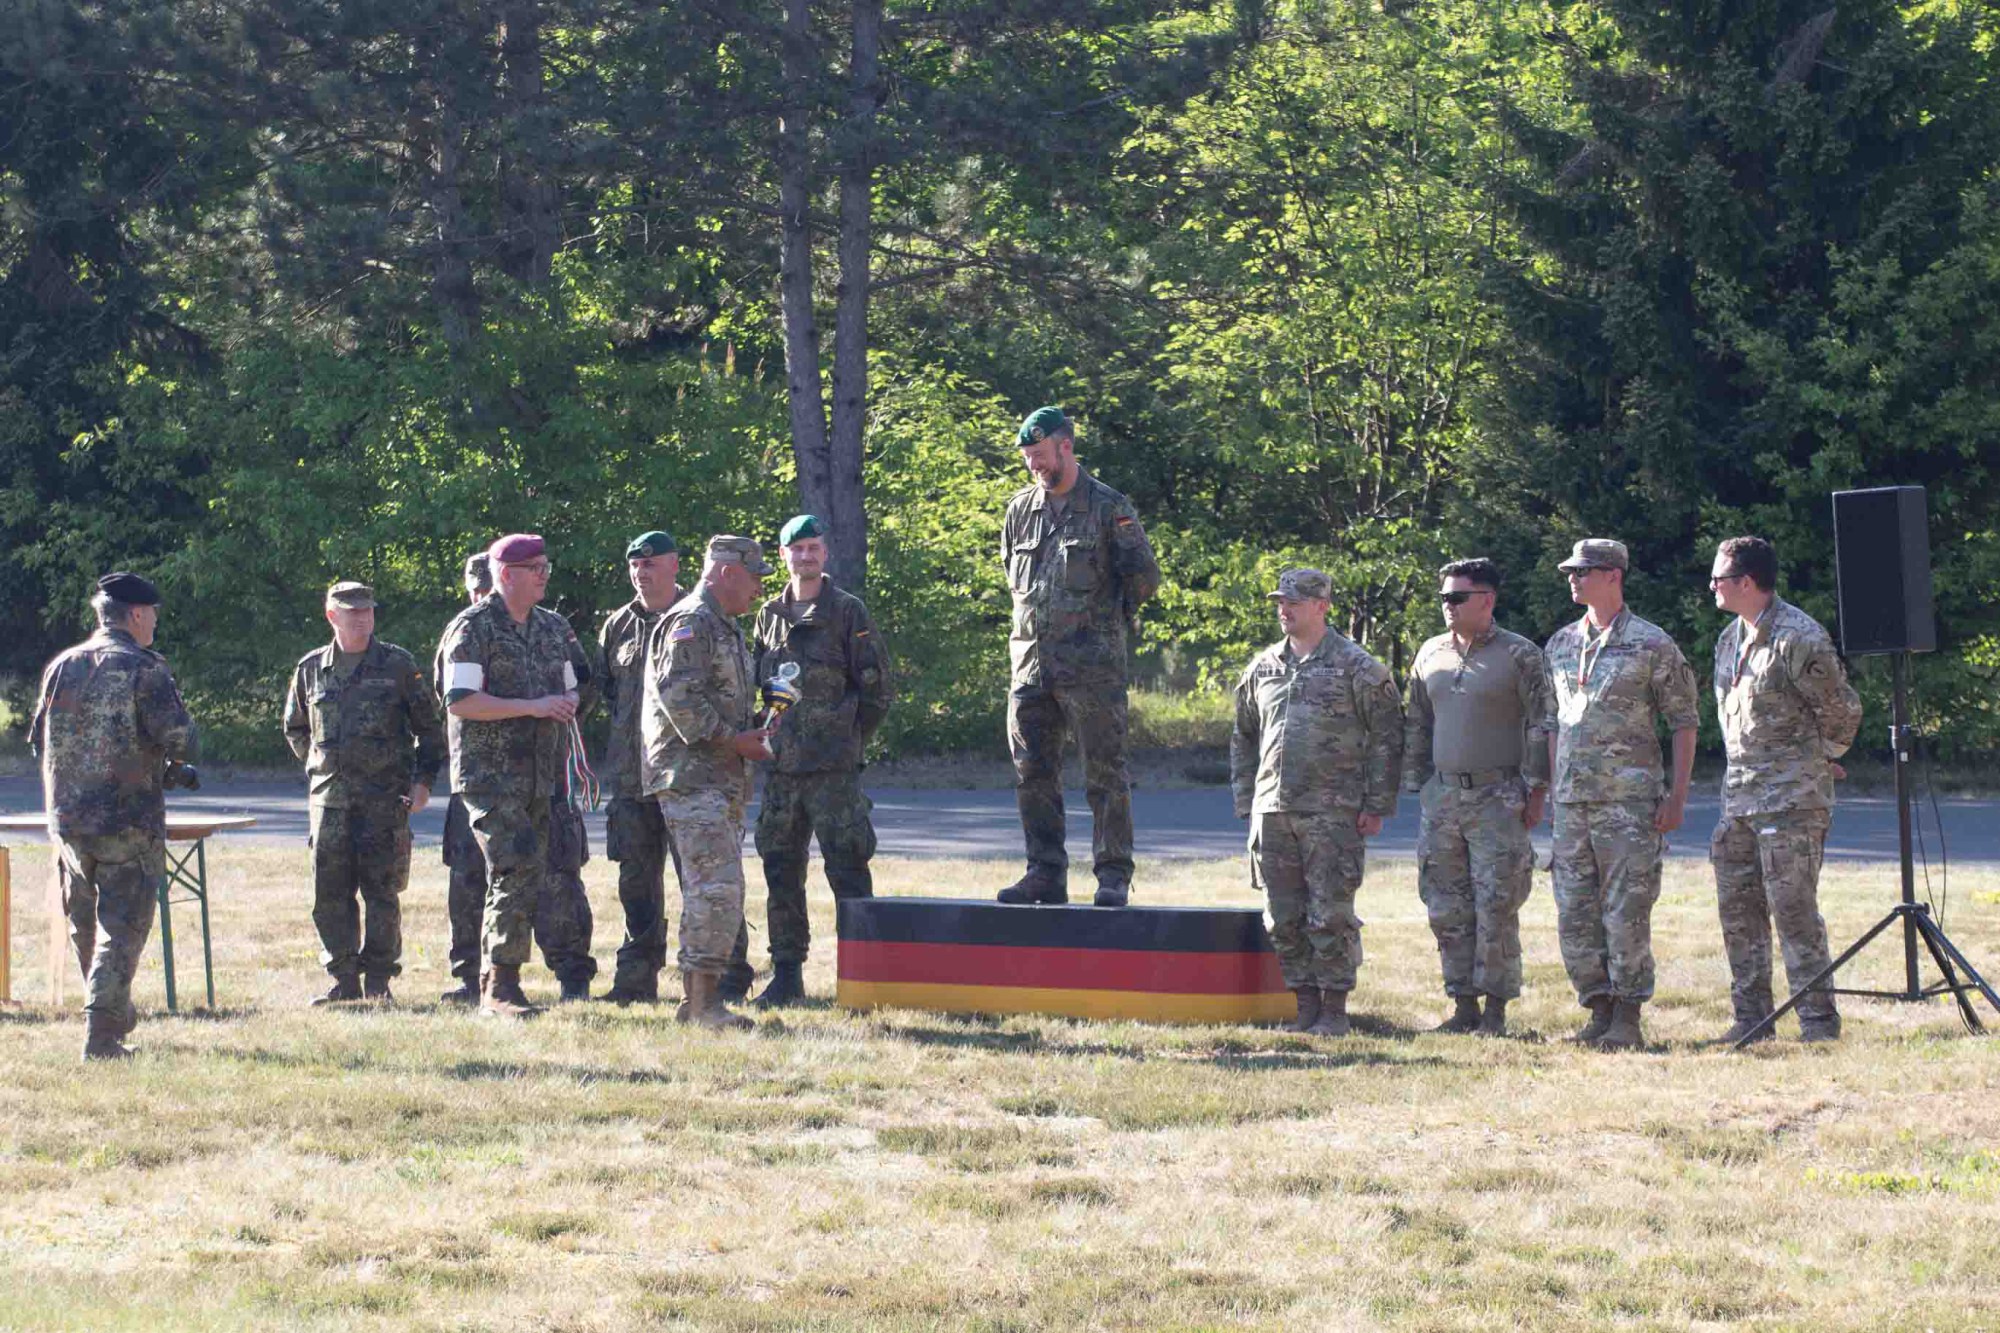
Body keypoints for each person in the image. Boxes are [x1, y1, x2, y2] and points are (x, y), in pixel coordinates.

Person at [723, 514, 893, 1007]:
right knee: (781, 871)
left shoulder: (847, 611)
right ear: (784, 557)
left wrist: (846, 737)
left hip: (833, 771)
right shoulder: (769, 615)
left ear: (825, 553)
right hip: (781, 769)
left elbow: (877, 689)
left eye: (813, 547)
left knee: (848, 870)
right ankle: (787, 975)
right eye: (797, 549)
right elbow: (760, 685)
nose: (806, 556)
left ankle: (862, 977)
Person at [997, 406, 1161, 907]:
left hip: (1092, 671)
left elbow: (1143, 579)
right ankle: (1044, 872)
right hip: (1031, 669)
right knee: (1032, 775)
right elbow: (1014, 580)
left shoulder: (1109, 507)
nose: (1034, 465)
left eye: (1041, 455)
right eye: (1028, 458)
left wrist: (1101, 624)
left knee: (1105, 774)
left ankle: (1112, 874)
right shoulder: (1019, 511)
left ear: (1066, 446)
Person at [30, 572, 198, 1060]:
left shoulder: (62, 666)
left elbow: (40, 740)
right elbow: (180, 739)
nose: (155, 624)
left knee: (86, 925)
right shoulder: (145, 668)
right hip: (127, 822)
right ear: (137, 615)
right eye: (154, 616)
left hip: (68, 822)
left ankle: (111, 1013)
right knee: (121, 928)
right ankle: (102, 1035)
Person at [1229, 569, 1402, 1036]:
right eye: (1280, 601)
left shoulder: (1357, 666)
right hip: (1272, 811)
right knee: (1282, 916)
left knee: (1331, 914)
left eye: (1295, 602)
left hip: (1333, 812)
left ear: (1322, 606)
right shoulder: (1263, 667)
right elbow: (1243, 737)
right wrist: (1247, 800)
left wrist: (1377, 803)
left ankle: (1335, 1009)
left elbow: (1388, 736)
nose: (1284, 609)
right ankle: (1304, 1006)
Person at [1544, 538, 1700, 1049]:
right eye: (1571, 571)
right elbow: (1552, 724)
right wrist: (1555, 793)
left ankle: (1628, 1016)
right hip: (1573, 804)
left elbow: (1684, 722)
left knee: (1626, 911)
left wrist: (1676, 798)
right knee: (1574, 913)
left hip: (1628, 805)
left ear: (1613, 575)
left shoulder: (1651, 644)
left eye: (1583, 571)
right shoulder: (1561, 643)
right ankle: (1598, 1009)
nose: (1573, 578)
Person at [1708, 536, 1863, 1044]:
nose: (1711, 586)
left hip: (1791, 802)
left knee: (1793, 912)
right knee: (1739, 913)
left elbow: (1841, 710)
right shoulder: (1729, 639)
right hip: (1740, 798)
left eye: (1719, 578)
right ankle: (1752, 1020)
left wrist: (1822, 758)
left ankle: (1817, 1024)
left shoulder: (1799, 637)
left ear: (1746, 582)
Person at [438, 533, 589, 1018]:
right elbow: (461, 701)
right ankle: (499, 987)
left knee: (530, 872)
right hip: (490, 776)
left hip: (542, 775)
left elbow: (575, 685)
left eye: (546, 567)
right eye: (534, 568)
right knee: (515, 865)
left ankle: (502, 982)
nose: (544, 575)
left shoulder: (552, 627)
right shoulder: (472, 627)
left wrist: (566, 703)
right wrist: (534, 707)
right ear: (506, 574)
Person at [1402, 558, 1554, 1037]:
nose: (1447, 605)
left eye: (1457, 597)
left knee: (1497, 905)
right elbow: (1417, 721)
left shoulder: (1520, 654)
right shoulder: (1430, 652)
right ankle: (1463, 1005)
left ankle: (1495, 1012)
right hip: (1444, 798)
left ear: (1486, 600)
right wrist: (1419, 783)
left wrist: (1537, 790)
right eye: (1443, 598)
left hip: (1498, 797)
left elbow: (1543, 722)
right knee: (1446, 905)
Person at [282, 581, 445, 1005]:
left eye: (368, 610)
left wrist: (422, 782)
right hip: (330, 803)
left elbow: (430, 729)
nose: (362, 618)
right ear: (332, 616)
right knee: (329, 894)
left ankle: (378, 981)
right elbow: (296, 728)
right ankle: (343, 979)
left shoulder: (397, 665)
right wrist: (321, 768)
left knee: (382, 893)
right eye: (352, 612)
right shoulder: (311, 669)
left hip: (384, 801)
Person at [641, 535, 774, 1029]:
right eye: (754, 578)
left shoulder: (724, 626)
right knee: (716, 889)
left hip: (719, 777)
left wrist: (757, 725)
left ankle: (699, 1001)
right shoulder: (692, 622)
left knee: (717, 888)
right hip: (691, 776)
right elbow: (679, 700)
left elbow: (718, 702)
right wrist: (734, 740)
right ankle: (702, 1006)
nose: (758, 589)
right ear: (726, 573)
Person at [598, 531, 682, 1004]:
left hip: (686, 779)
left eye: (650, 563)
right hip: (631, 780)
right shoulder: (618, 625)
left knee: (702, 881)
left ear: (674, 565)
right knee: (635, 881)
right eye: (634, 564)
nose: (641, 572)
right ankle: (636, 980)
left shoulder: (697, 618)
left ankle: (722, 977)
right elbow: (609, 692)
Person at [436, 553, 494, 1005]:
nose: (482, 597)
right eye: (476, 589)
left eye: (488, 588)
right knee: (466, 883)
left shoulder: (543, 629)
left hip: (531, 778)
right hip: (469, 779)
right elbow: (446, 697)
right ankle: (468, 977)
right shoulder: (460, 632)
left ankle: (568, 976)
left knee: (550, 881)